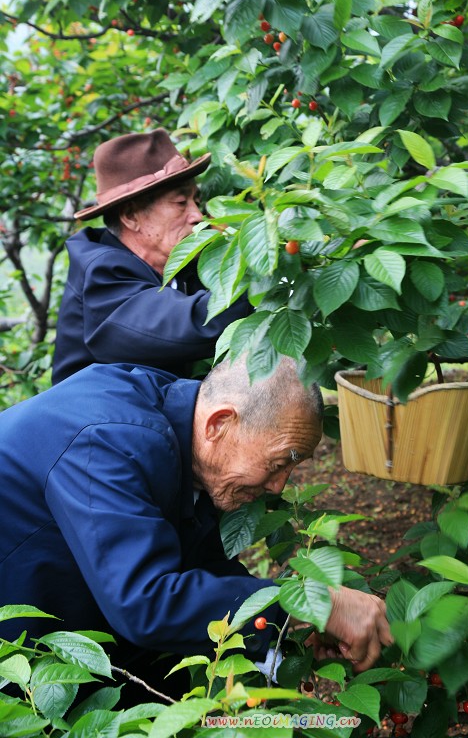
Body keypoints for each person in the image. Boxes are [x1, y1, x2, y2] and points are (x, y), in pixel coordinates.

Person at [0, 357, 392, 703]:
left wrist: (287, 623)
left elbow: (194, 567)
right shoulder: (107, 440)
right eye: (278, 463)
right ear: (220, 423)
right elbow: (145, 603)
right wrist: (313, 601)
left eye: (293, 468)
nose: (279, 486)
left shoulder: (186, 438)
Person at [51, 128, 250, 384]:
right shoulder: (103, 274)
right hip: (102, 422)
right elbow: (191, 324)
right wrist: (261, 283)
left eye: (195, 200)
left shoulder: (180, 267)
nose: (197, 215)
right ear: (131, 216)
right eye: (181, 203)